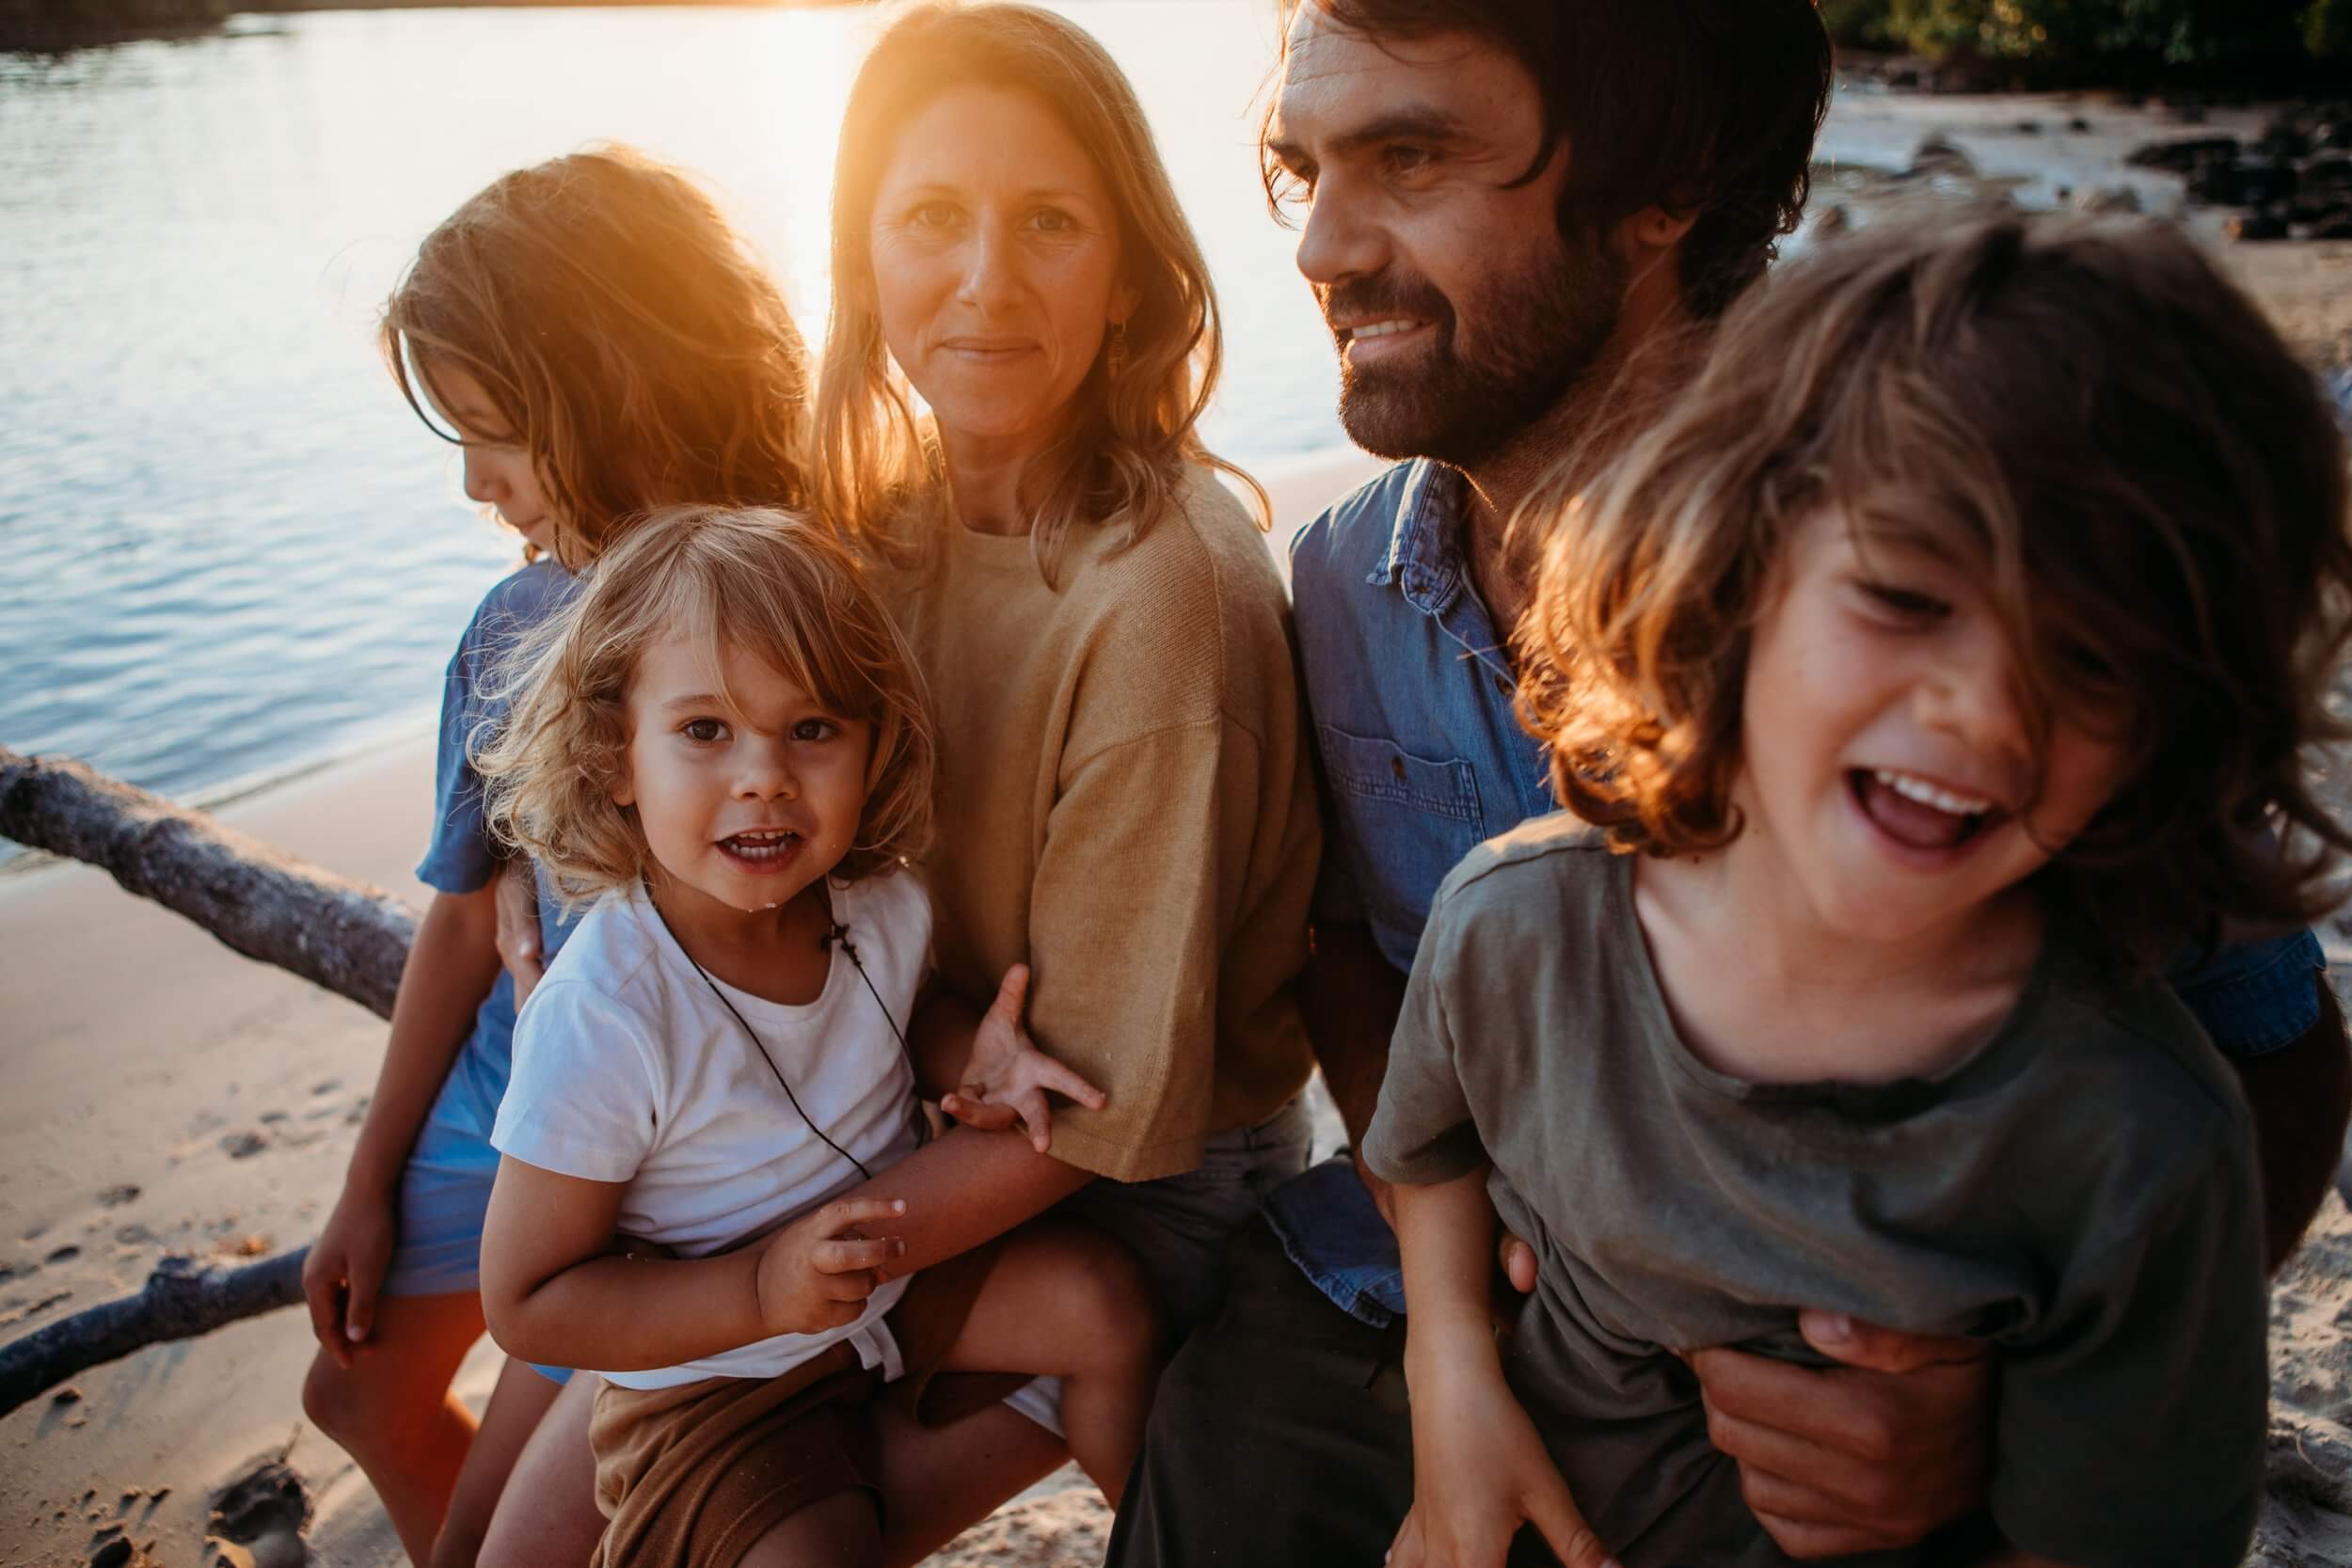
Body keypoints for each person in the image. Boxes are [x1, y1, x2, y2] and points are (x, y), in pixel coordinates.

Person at [1107, 3, 2352, 1562]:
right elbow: (1367, 945)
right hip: (1451, 1293)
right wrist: (1463, 1315)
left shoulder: (1960, 534)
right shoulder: (1346, 578)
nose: (1322, 249)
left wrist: (2006, 1410)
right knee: (1215, 1443)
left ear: (1666, 185)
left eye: (1412, 156)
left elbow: (2272, 1056)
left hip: (1852, 1359)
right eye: (1308, 169)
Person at [1373, 212, 2352, 1568]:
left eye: (2091, 660)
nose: (1986, 706)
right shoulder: (1519, 928)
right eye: (1905, 596)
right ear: (1730, 570)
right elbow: (1427, 1148)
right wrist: (1451, 1372)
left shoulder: (2139, 1139)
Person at [481, 8, 1321, 1563]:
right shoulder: (876, 524)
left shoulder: (1166, 604)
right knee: (491, 1528)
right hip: (877, 1112)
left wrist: (749, 1272)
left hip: (1110, 1181)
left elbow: (1100, 1114)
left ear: (1131, 270)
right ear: (859, 255)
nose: (986, 282)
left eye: (1051, 223)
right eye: (932, 218)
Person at [296, 148, 818, 1568]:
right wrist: (367, 1171)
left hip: (655, 1140)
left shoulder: (792, 595)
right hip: (494, 1082)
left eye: (496, 430)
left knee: (505, 1539)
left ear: (613, 379)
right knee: (352, 1387)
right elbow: (467, 918)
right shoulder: (510, 625)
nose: (475, 480)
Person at [469, 504, 1160, 1568]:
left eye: (813, 728)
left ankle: (1163, 1536)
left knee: (1102, 1303)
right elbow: (528, 1301)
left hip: (884, 1301)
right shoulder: (605, 1013)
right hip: (715, 1382)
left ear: (874, 742)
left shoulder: (880, 903)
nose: (765, 776)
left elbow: (902, 1012)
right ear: (616, 755)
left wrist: (970, 1055)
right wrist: (757, 1292)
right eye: (705, 730)